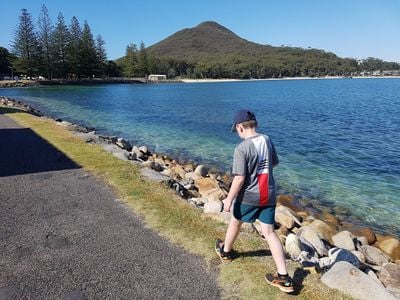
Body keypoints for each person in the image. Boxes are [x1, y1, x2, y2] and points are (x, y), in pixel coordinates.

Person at [215, 109, 294, 293]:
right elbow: (273, 163)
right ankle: (284, 277)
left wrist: (228, 199)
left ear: (239, 127)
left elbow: (239, 178)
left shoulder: (241, 148)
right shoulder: (267, 139)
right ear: (255, 124)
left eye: (237, 131)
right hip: (268, 194)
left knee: (235, 221)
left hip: (249, 196)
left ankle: (226, 252)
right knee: (269, 232)